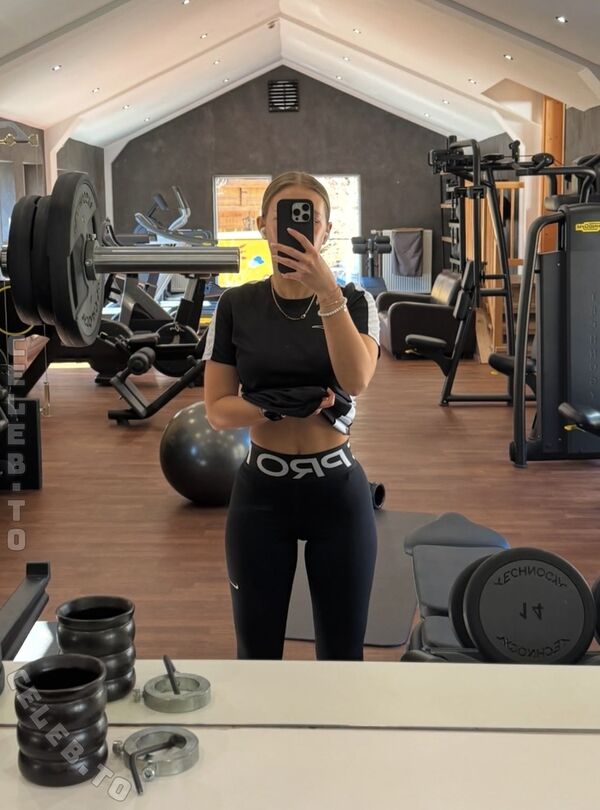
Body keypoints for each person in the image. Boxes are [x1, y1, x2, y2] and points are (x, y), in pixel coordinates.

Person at [202, 171, 380, 660]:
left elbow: (355, 380)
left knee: (343, 656)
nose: (297, 229)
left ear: (326, 230)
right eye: (282, 218)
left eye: (310, 219)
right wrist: (271, 406)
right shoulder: (236, 305)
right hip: (261, 493)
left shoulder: (356, 301)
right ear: (263, 225)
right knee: (256, 655)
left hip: (338, 492)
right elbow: (217, 411)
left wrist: (328, 294)